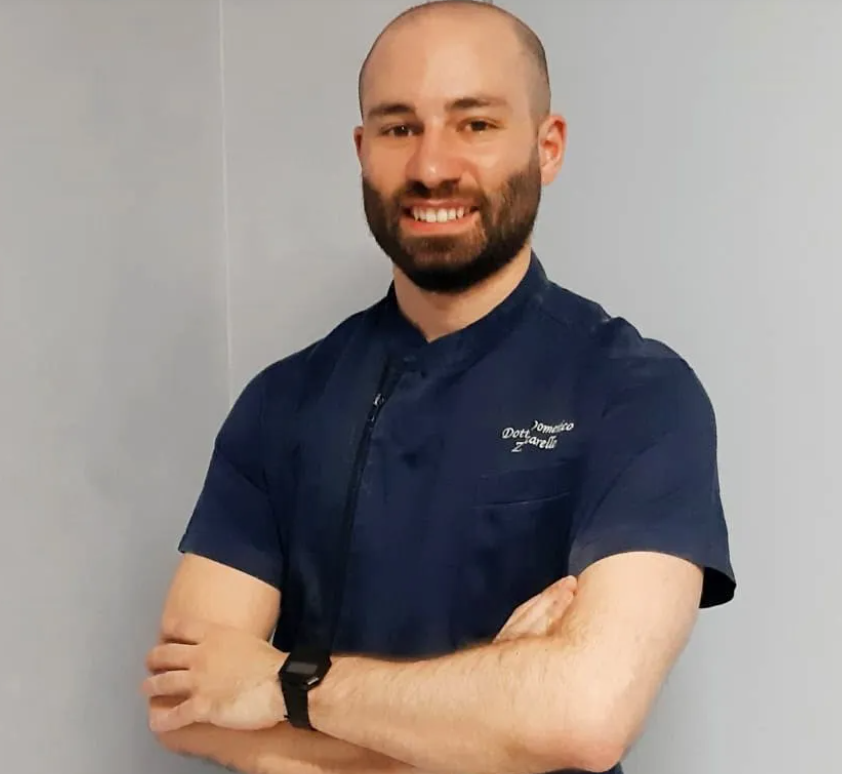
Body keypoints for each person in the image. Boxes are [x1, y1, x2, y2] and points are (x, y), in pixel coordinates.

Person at [140, 2, 736, 773]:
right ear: (363, 151)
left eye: (474, 124)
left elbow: (585, 715)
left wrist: (284, 683)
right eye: (398, 128)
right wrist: (492, 723)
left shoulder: (638, 394)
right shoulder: (280, 403)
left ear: (546, 146)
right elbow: (185, 707)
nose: (430, 167)